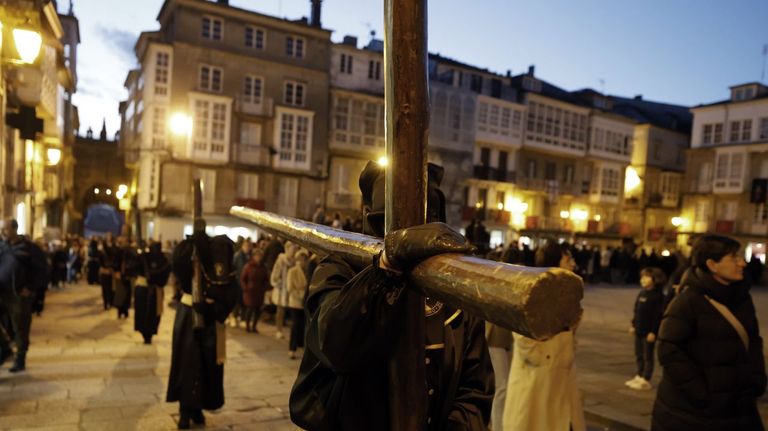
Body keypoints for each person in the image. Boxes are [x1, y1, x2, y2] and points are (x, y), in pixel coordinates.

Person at [290, 161, 494, 430]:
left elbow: (475, 388)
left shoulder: (455, 289)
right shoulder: (338, 270)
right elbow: (336, 345)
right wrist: (387, 268)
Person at [651, 235, 767, 431]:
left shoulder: (741, 298)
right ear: (712, 265)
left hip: (740, 406)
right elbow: (669, 349)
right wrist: (701, 393)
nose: (742, 263)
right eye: (734, 258)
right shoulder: (688, 300)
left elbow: (753, 341)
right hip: (694, 413)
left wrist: (757, 379)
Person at [503, 241, 586, 431]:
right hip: (536, 393)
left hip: (561, 391)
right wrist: (565, 332)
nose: (573, 264)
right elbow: (529, 349)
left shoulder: (567, 298)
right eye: (568, 259)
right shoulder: (533, 295)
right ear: (555, 264)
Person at [166, 231, 238, 429]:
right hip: (188, 318)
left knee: (207, 367)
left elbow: (231, 296)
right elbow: (178, 265)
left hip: (211, 324)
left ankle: (198, 407)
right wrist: (191, 244)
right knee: (186, 365)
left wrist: (212, 308)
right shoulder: (193, 259)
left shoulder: (225, 269)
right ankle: (185, 409)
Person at [0, 218, 51, 372]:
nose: (3, 232)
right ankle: (4, 348)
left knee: (20, 326)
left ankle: (20, 358)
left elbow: (44, 270)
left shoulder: (29, 248)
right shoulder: (2, 247)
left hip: (19, 294)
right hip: (2, 291)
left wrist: (30, 287)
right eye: (2, 229)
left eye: (6, 229)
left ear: (15, 229)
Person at [625, 266, 666, 390]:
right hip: (639, 329)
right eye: (642, 277)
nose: (643, 279)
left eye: (647, 277)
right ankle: (639, 374)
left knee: (648, 355)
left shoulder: (658, 296)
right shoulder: (642, 293)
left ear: (655, 279)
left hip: (649, 332)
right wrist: (633, 324)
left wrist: (654, 332)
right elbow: (636, 311)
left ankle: (646, 378)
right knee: (639, 354)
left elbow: (658, 315)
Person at [134, 242, 171, 344]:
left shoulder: (163, 260)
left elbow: (165, 272)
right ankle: (146, 334)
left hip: (154, 291)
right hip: (145, 290)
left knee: (152, 314)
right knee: (144, 313)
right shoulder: (145, 257)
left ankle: (148, 334)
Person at [486, 320, 513, 431]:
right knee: (501, 388)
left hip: (506, 340)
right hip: (494, 339)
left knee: (504, 388)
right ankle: (498, 428)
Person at [270, 241, 296, 339]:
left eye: (294, 249)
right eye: (292, 249)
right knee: (280, 311)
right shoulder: (281, 260)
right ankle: (279, 330)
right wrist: (280, 284)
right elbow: (275, 275)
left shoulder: (294, 261)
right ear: (287, 249)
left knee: (291, 310)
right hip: (282, 290)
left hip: (291, 289)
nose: (293, 251)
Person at [240, 249, 270, 333]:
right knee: (249, 309)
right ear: (254, 256)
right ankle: (248, 326)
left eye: (260, 256)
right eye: (257, 256)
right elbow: (243, 278)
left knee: (257, 310)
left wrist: (264, 288)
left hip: (259, 292)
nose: (258, 257)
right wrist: (245, 288)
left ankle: (254, 326)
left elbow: (266, 279)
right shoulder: (248, 266)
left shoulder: (263, 267)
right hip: (250, 292)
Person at [286, 249, 308, 359]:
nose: (302, 262)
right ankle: (292, 349)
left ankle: (300, 346)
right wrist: (301, 294)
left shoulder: (308, 271)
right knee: (295, 326)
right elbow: (290, 288)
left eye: (304, 260)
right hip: (295, 302)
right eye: (300, 260)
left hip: (304, 303)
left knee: (303, 325)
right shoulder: (292, 271)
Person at [231, 239, 252, 328]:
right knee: (237, 301)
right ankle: (233, 317)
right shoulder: (238, 256)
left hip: (246, 282)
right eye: (246, 246)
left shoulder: (249, 256)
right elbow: (234, 267)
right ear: (243, 246)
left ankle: (242, 318)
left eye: (248, 246)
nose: (247, 248)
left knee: (244, 302)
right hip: (238, 281)